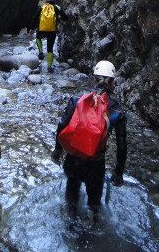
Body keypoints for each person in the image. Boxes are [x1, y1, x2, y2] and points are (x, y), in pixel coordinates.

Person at [51, 60, 127, 212]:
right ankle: (92, 228)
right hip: (95, 164)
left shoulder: (77, 100)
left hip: (73, 161)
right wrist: (118, 173)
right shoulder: (117, 111)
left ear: (94, 79)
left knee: (71, 201)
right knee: (94, 206)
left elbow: (62, 125)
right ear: (112, 83)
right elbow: (122, 145)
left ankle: (71, 224)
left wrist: (57, 150)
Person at [28, 0, 65, 72]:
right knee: (50, 49)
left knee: (38, 38)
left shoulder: (42, 7)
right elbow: (65, 17)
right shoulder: (56, 7)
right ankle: (49, 67)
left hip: (42, 30)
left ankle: (40, 52)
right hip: (52, 31)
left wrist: (31, 28)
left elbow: (35, 17)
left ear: (46, 0)